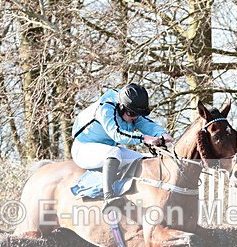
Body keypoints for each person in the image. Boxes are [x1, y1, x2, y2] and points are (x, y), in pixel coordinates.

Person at [71, 83, 174, 213]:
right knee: (113, 152)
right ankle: (109, 197)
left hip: (106, 148)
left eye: (137, 115)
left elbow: (146, 124)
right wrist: (144, 138)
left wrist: (162, 134)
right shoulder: (106, 108)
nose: (134, 118)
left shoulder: (131, 107)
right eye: (132, 114)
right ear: (121, 107)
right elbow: (117, 134)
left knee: (143, 159)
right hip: (83, 149)